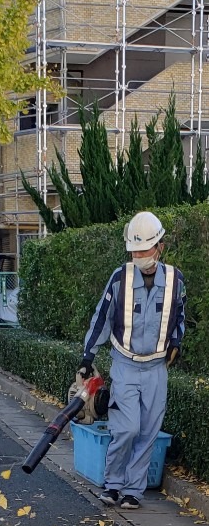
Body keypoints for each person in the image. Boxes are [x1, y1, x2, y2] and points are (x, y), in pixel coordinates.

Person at [80, 211, 186, 510]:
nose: (139, 255)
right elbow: (102, 317)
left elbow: (179, 316)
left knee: (148, 431)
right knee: (126, 429)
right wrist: (88, 356)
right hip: (125, 365)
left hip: (156, 368)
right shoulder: (120, 278)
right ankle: (113, 484)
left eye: (145, 249)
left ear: (160, 247)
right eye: (135, 250)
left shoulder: (176, 279)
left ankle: (132, 492)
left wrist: (176, 342)